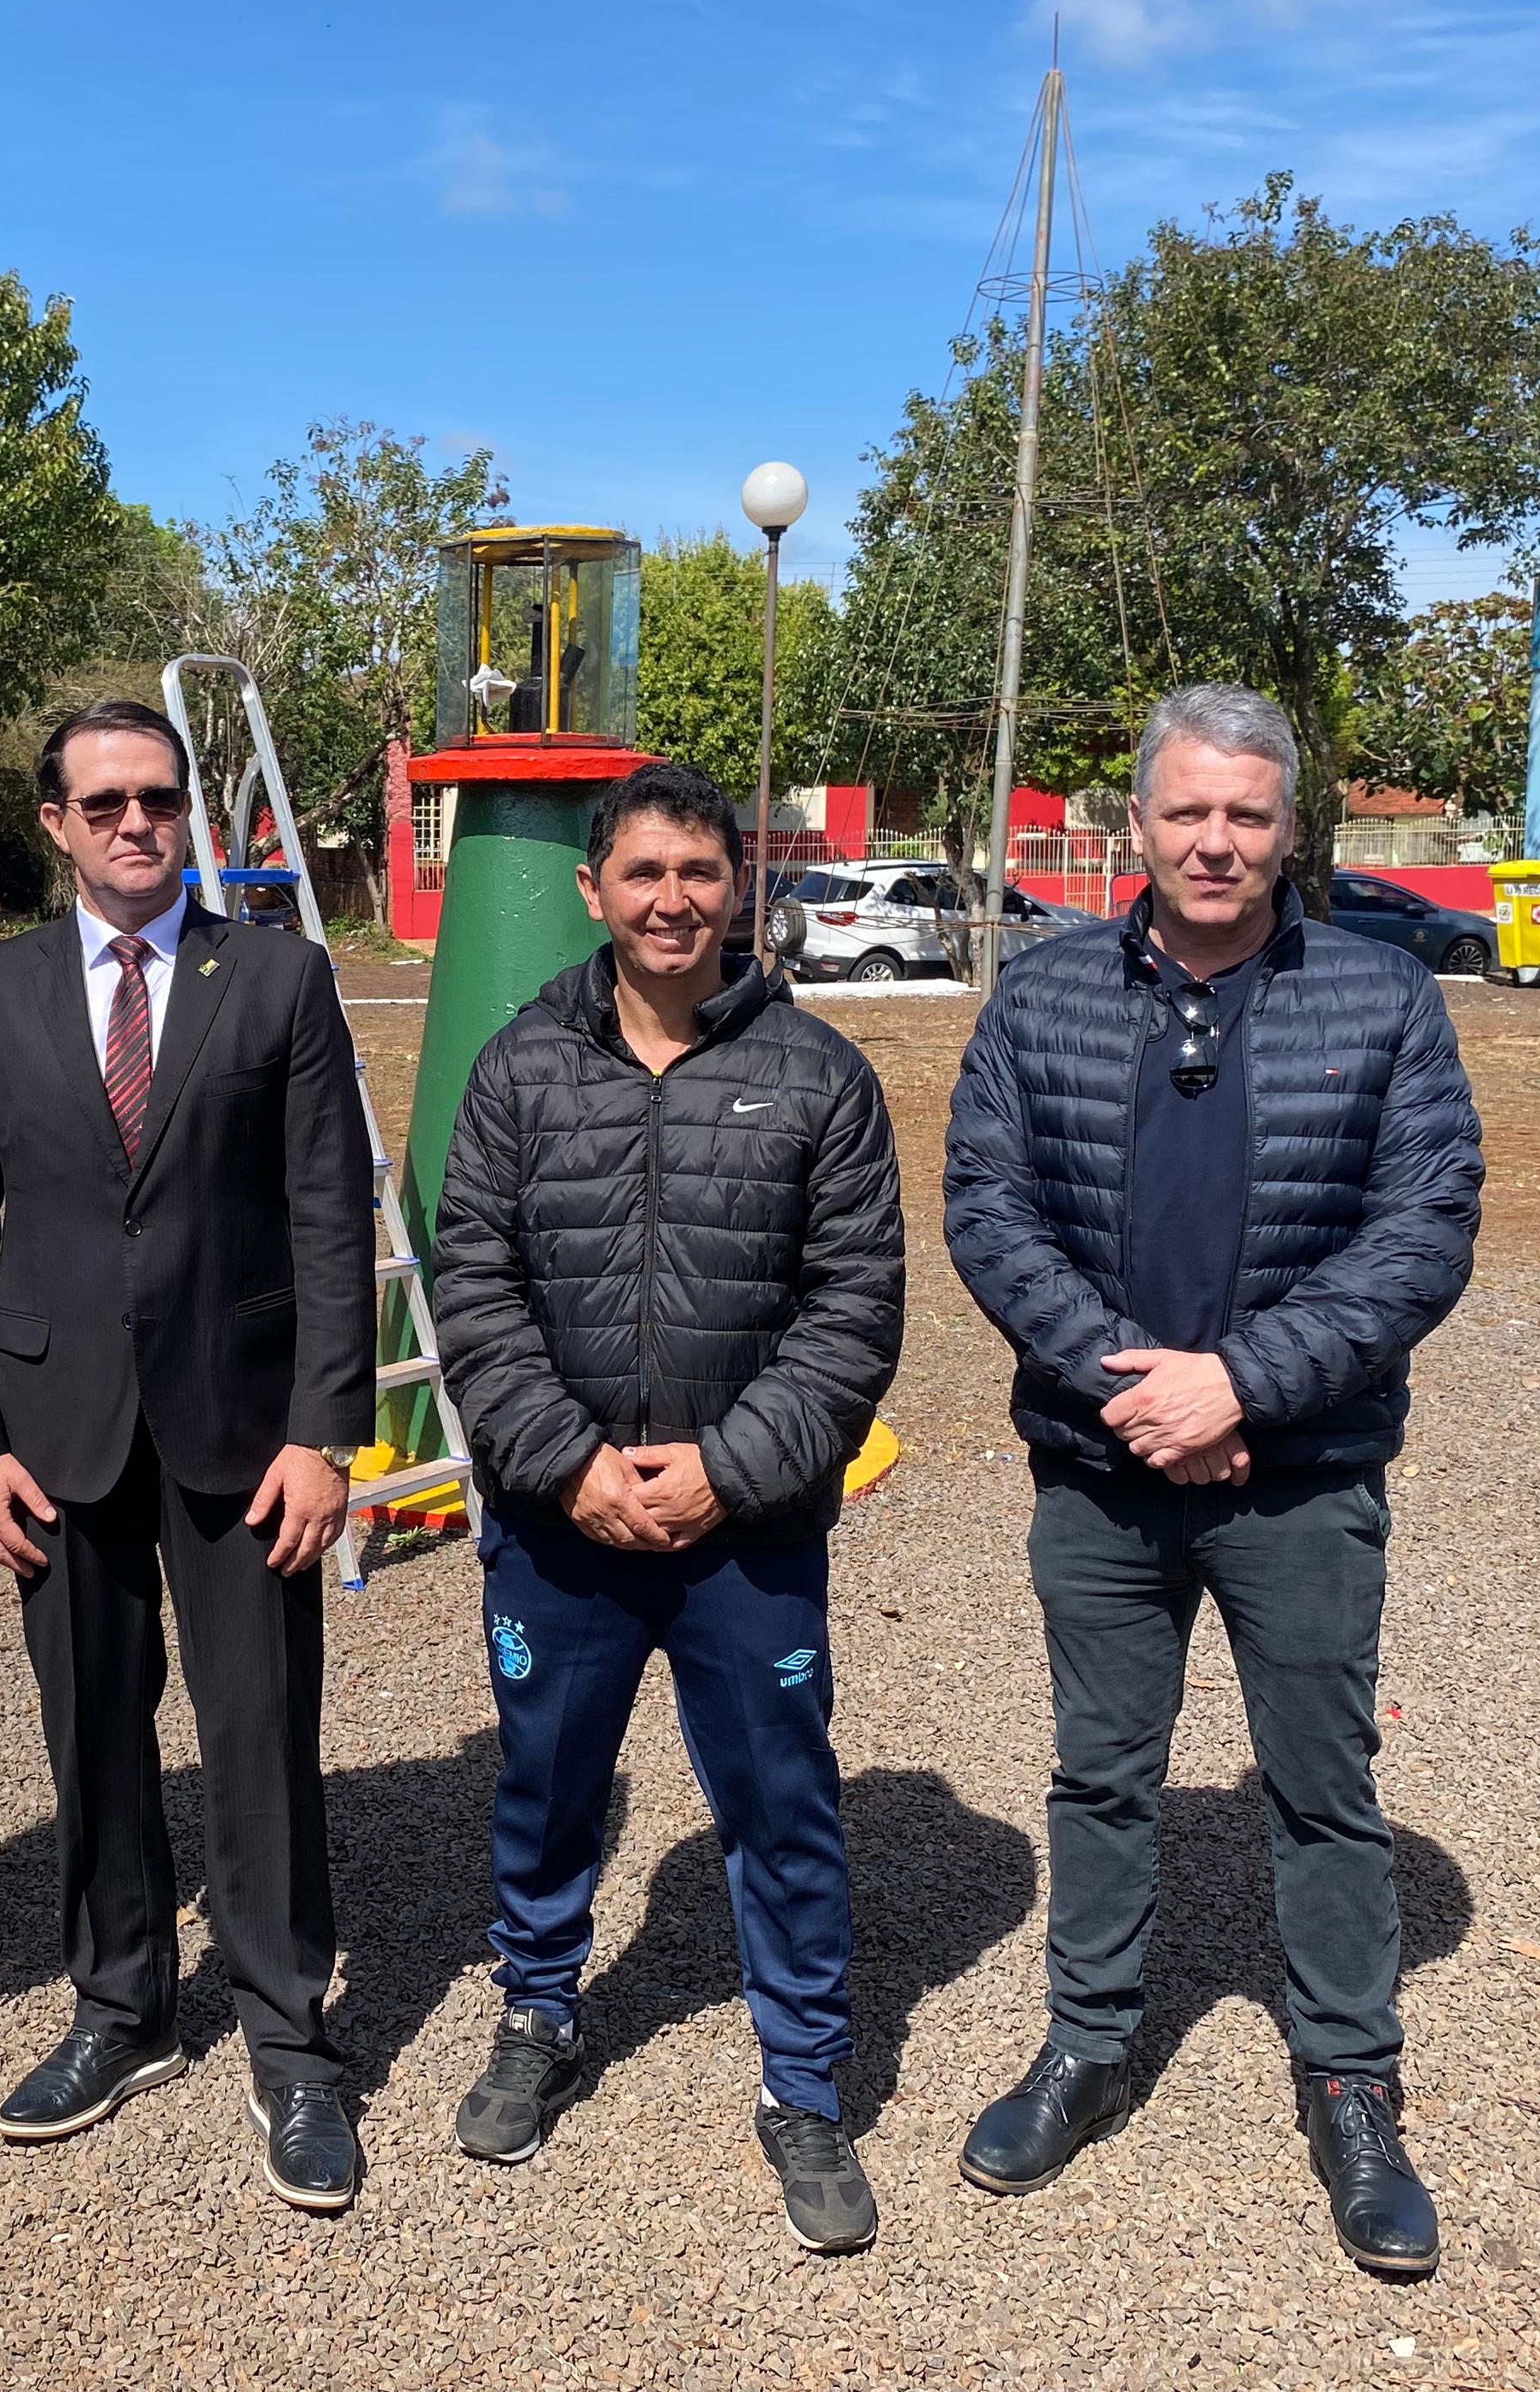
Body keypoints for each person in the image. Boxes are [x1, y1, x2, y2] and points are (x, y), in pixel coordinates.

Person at [941, 683, 1484, 2278]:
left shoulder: (1383, 998)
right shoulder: (1041, 995)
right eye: (1187, 811)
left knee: (1321, 1782)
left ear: (1289, 828)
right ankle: (1088, 2039)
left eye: (1248, 814)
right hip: (1101, 1471)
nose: (1216, 841)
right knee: (1101, 1771)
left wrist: (1242, 1383)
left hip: (1298, 1475)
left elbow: (1423, 1229)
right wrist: (1138, 1391)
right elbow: (987, 1208)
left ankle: (1352, 2079)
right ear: (1137, 823)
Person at [427, 760, 906, 2256]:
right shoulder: (518, 1068)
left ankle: (804, 2077)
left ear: (736, 884)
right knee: (546, 1782)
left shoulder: (819, 1074)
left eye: (699, 871)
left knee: (780, 1800)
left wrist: (728, 1466)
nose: (671, 899)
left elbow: (853, 1307)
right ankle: (539, 2009)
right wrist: (564, 1459)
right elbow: (472, 1282)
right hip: (556, 1521)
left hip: (744, 1529)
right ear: (594, 888)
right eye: (642, 871)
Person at [0, 698, 375, 2213]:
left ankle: (289, 2037)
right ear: (55, 822)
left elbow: (329, 1213)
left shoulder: (279, 977)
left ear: (190, 812)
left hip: (245, 1433)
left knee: (261, 1732)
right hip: (56, 1437)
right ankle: (120, 2009)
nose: (136, 822)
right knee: (93, 1734)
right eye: (104, 801)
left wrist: (325, 1430)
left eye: (159, 798)